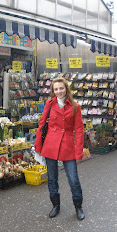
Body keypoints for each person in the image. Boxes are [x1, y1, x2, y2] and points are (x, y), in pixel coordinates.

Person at [34, 77, 85, 220]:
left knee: (73, 179)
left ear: (66, 89)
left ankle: (78, 206)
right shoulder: (49, 105)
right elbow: (41, 125)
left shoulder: (75, 106)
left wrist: (79, 152)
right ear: (52, 91)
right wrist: (38, 146)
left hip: (68, 145)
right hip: (50, 145)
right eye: (56, 89)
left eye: (61, 88)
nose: (59, 91)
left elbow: (79, 130)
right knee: (52, 179)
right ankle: (55, 205)